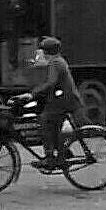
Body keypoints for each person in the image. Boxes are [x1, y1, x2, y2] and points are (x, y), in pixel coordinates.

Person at [14, 36, 83, 170]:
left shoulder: (55, 63)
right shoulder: (58, 60)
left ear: (47, 52)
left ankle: (50, 158)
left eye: (42, 51)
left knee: (45, 122)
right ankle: (62, 152)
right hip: (64, 99)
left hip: (64, 101)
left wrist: (32, 94)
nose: (41, 54)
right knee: (53, 126)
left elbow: (50, 83)